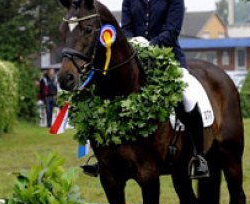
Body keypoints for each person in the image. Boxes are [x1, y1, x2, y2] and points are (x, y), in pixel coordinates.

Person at [82, 0, 209, 180]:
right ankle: (102, 157)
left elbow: (171, 31)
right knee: (106, 93)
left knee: (188, 97)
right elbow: (125, 28)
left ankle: (199, 155)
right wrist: (134, 43)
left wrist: (149, 45)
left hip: (167, 57)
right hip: (133, 59)